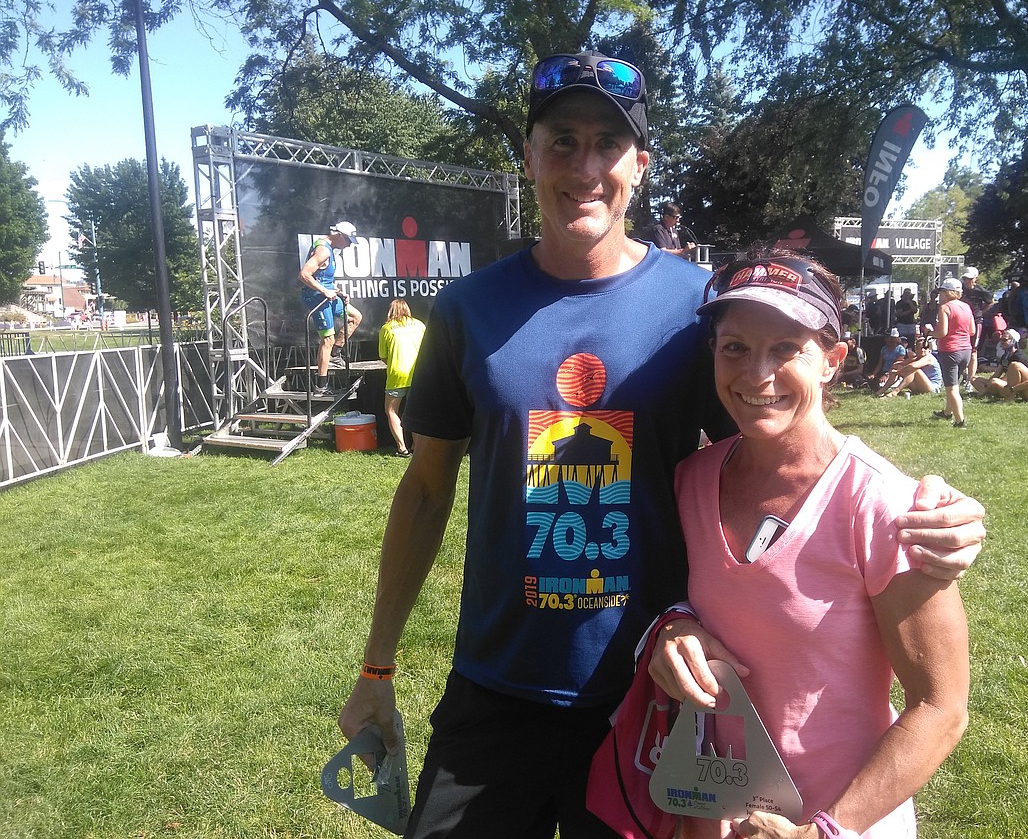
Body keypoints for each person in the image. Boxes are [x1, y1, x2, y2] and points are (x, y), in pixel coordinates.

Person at [337, 50, 986, 839]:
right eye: (562, 141)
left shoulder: (697, 310)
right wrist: (377, 663)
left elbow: (779, 443)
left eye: (608, 145)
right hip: (495, 688)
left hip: (650, 698)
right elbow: (428, 487)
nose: (585, 166)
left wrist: (925, 506)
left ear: (639, 167)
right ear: (529, 156)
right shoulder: (470, 308)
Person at [650, 251, 969, 839]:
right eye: (735, 347)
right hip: (711, 815)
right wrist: (672, 626)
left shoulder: (883, 505)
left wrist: (826, 830)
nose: (755, 374)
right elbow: (677, 596)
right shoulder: (690, 480)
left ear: (832, 361)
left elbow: (941, 708)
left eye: (785, 349)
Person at [299, 221, 364, 397]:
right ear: (339, 235)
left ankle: (335, 354)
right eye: (348, 240)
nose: (349, 245)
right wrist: (324, 291)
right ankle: (321, 386)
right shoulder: (324, 250)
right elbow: (304, 274)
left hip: (328, 295)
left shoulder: (329, 249)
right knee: (327, 339)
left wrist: (338, 291)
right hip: (317, 299)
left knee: (355, 317)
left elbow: (322, 277)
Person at [378, 298, 426, 457]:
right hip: (418, 374)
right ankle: (416, 446)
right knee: (418, 412)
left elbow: (383, 356)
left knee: (391, 410)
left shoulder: (386, 328)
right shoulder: (419, 325)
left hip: (397, 375)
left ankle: (402, 448)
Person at [933, 277, 975, 427]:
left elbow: (942, 332)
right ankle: (947, 412)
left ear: (949, 292)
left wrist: (930, 333)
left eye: (942, 291)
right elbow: (972, 330)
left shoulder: (945, 308)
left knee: (951, 388)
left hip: (950, 350)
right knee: (955, 383)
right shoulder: (967, 307)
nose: (941, 295)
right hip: (966, 350)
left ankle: (960, 421)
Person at [877, 334, 942, 398]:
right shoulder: (917, 357)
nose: (922, 350)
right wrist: (893, 368)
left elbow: (913, 366)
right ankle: (881, 391)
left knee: (914, 370)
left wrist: (897, 372)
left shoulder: (929, 358)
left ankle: (895, 391)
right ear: (916, 349)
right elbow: (899, 363)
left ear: (929, 350)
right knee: (899, 366)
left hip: (933, 388)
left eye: (925, 348)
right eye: (920, 348)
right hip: (920, 386)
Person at [971, 328, 1028, 399]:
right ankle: (988, 392)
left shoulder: (1019, 356)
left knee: (994, 382)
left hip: (1016, 386)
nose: (1001, 342)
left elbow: (1009, 378)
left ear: (1013, 341)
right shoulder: (1005, 356)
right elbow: (996, 374)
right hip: (1005, 384)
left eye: (1005, 340)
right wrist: (989, 382)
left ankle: (986, 392)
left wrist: (991, 383)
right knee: (974, 379)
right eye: (1001, 339)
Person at [959, 267, 993, 387]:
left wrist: (981, 313)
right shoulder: (960, 289)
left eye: (969, 279)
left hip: (975, 322)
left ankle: (970, 379)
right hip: (961, 322)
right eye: (965, 278)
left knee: (973, 351)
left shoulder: (981, 291)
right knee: (962, 349)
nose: (967, 281)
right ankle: (964, 374)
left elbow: (991, 301)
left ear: (975, 279)